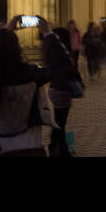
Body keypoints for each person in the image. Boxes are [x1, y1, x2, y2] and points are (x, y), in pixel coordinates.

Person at [0, 26, 55, 157]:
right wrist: (48, 33)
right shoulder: (31, 75)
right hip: (29, 144)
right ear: (17, 49)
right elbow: (65, 65)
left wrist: (5, 31)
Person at [34, 17, 82, 157]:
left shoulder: (50, 51)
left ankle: (57, 147)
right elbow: (66, 68)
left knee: (59, 122)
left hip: (56, 90)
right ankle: (58, 148)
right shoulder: (60, 55)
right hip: (61, 90)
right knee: (60, 123)